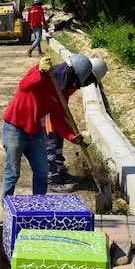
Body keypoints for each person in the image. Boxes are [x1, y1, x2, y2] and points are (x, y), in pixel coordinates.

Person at [1, 54, 84, 205]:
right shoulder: (45, 74)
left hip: (35, 133)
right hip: (14, 129)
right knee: (13, 173)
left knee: (42, 173)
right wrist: (39, 71)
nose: (74, 85)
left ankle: (38, 206)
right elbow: (24, 86)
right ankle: (6, 208)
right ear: (69, 73)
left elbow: (57, 119)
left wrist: (71, 136)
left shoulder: (61, 92)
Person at [43, 54, 109, 191]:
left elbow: (63, 103)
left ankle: (60, 172)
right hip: (48, 115)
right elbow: (57, 103)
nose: (87, 84)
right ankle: (51, 180)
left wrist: (70, 131)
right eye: (90, 80)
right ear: (86, 74)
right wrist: (69, 131)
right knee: (51, 145)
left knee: (58, 143)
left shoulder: (74, 81)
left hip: (57, 112)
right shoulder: (68, 78)